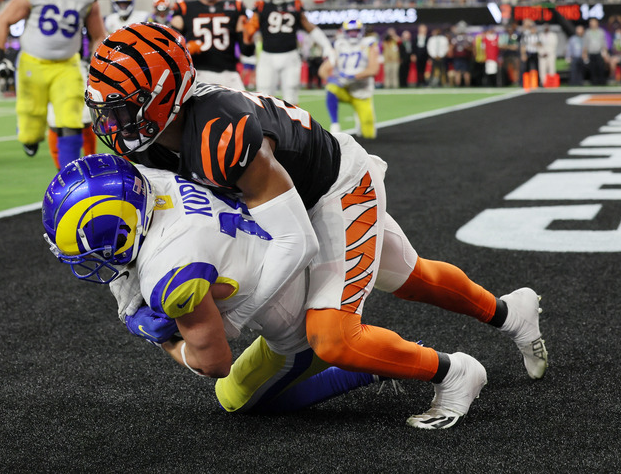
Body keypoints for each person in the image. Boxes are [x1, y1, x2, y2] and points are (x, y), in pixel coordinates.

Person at [84, 22, 549, 429]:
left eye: (122, 109)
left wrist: (233, 320)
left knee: (332, 334)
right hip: (292, 198)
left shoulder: (218, 134)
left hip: (334, 189)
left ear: (166, 95)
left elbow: (296, 241)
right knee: (408, 277)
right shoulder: (152, 139)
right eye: (105, 109)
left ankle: (455, 374)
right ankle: (511, 314)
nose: (111, 122)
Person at [43, 154, 391, 414]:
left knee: (234, 397)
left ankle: (373, 363)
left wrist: (162, 339)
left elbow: (215, 363)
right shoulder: (152, 175)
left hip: (301, 314)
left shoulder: (168, 272)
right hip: (316, 239)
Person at [0, 0, 106, 169]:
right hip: (33, 63)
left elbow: (98, 34)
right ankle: (30, 138)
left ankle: (69, 174)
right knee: (31, 126)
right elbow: (3, 20)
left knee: (71, 119)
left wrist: (99, 63)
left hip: (67, 64)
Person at [242, 0, 332, 105]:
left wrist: (326, 44)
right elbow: (249, 30)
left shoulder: (293, 5)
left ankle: (292, 126)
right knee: (263, 96)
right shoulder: (261, 7)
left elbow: (309, 27)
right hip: (268, 56)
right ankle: (265, 126)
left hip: (290, 55)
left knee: (291, 96)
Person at [170, 0, 250, 90]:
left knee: (245, 109)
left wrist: (248, 37)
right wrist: (186, 50)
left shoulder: (235, 6)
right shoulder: (184, 8)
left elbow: (247, 51)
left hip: (229, 73)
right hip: (198, 74)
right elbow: (171, 48)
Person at [318, 19, 380, 138]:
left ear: (361, 31)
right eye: (350, 31)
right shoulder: (339, 44)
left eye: (356, 31)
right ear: (345, 32)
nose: (353, 34)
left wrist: (352, 76)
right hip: (345, 89)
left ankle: (359, 117)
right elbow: (322, 70)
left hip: (362, 92)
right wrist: (331, 79)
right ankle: (335, 124)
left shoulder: (369, 43)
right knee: (331, 88)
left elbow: (374, 69)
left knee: (369, 135)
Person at [583, 18, 607, 85]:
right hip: (591, 53)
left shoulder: (601, 32)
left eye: (594, 22)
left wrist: (605, 53)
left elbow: (604, 43)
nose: (592, 24)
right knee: (592, 68)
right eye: (591, 23)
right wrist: (584, 53)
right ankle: (594, 82)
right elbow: (585, 44)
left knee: (600, 67)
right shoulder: (587, 32)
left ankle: (602, 82)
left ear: (597, 23)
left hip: (599, 52)